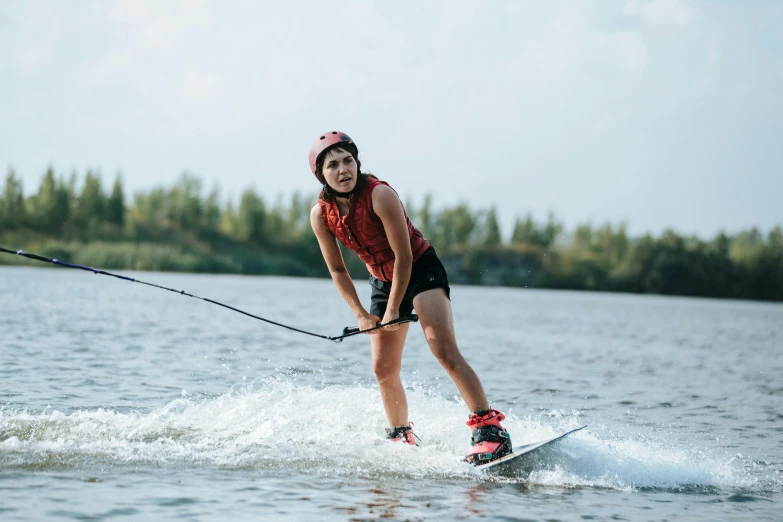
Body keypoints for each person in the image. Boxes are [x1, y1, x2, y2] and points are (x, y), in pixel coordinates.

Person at [308, 131, 512, 464]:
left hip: (419, 268)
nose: (343, 169)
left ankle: (491, 432)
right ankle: (400, 435)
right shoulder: (320, 215)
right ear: (321, 174)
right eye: (333, 165)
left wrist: (391, 312)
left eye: (348, 161)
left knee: (442, 349)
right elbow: (338, 271)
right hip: (381, 279)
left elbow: (403, 258)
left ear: (357, 163)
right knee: (382, 367)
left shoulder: (380, 194)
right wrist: (362, 314)